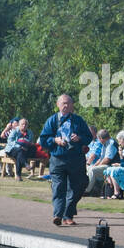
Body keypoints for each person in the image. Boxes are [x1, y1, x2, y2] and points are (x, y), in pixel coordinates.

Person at [38, 94, 94, 226]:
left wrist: (79, 138)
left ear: (72, 106)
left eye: (68, 103)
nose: (66, 105)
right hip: (58, 159)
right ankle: (58, 214)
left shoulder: (78, 121)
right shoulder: (52, 120)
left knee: (77, 187)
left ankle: (67, 215)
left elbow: (88, 137)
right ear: (58, 105)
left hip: (76, 159)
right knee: (58, 187)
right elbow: (43, 140)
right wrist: (55, 140)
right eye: (63, 103)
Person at [85, 129, 118, 196]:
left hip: (111, 166)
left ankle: (86, 191)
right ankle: (84, 188)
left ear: (101, 138)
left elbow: (107, 159)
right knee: (89, 168)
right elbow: (101, 158)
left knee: (92, 170)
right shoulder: (105, 144)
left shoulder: (111, 143)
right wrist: (94, 165)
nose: (99, 141)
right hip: (105, 165)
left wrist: (96, 166)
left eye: (99, 139)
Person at [103, 131, 124, 200]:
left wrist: (119, 164)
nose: (119, 143)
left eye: (120, 141)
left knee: (114, 170)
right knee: (109, 169)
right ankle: (111, 190)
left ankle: (117, 192)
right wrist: (121, 155)